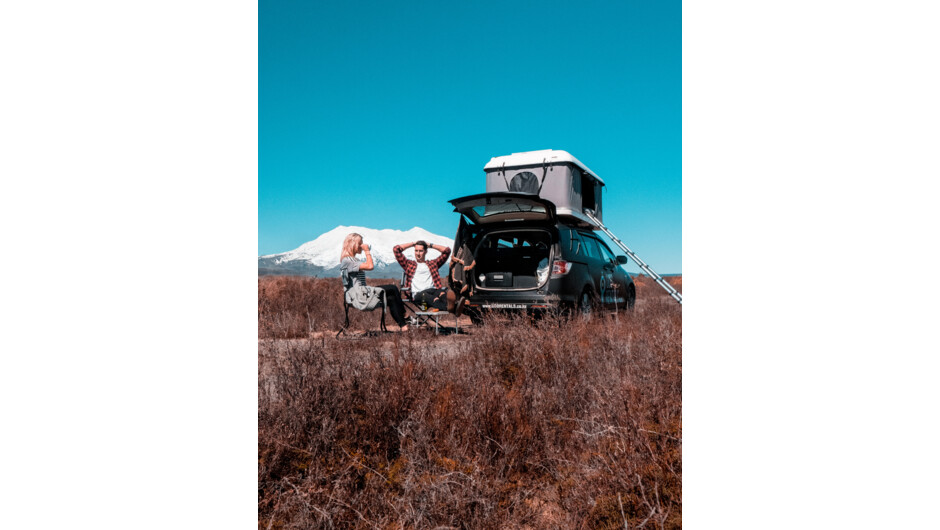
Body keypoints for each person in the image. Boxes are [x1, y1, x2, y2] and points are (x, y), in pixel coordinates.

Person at [340, 233, 409, 331]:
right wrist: (367, 251)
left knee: (391, 298)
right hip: (359, 295)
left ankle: (404, 327)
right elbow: (370, 266)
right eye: (360, 243)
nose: (362, 245)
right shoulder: (348, 260)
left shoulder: (350, 260)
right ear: (354, 244)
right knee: (392, 288)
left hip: (361, 292)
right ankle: (405, 315)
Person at [393, 240, 451, 311]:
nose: (418, 253)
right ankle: (447, 307)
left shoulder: (433, 264)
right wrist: (413, 244)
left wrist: (430, 245)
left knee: (443, 294)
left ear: (426, 251)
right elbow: (396, 249)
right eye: (416, 251)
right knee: (426, 296)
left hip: (433, 290)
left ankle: (450, 306)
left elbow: (447, 251)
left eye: (420, 251)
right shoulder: (409, 264)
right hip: (418, 295)